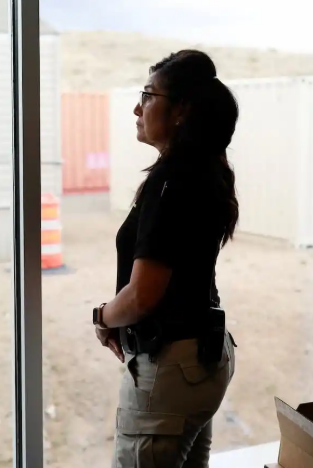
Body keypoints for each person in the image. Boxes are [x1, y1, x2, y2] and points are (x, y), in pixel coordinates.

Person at [91, 50, 239, 468]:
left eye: (148, 95)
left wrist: (102, 317)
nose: (137, 108)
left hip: (169, 369)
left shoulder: (169, 182)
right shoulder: (208, 171)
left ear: (181, 112)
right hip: (204, 360)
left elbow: (142, 296)